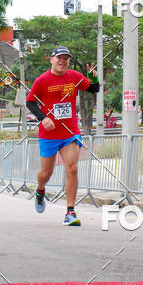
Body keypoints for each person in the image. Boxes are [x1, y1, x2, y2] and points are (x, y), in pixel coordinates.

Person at [26, 46, 99, 226]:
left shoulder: (74, 76)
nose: (63, 61)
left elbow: (93, 89)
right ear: (51, 60)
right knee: (46, 173)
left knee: (72, 167)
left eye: (66, 58)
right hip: (49, 134)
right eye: (59, 57)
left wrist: (93, 78)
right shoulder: (42, 80)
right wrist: (43, 118)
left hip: (70, 132)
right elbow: (30, 102)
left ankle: (70, 211)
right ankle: (40, 190)